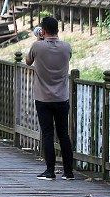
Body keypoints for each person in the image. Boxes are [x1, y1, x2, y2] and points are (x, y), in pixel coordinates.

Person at [25, 15, 75, 180]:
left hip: (43, 98)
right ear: (58, 30)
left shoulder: (37, 47)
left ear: (43, 31)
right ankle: (68, 172)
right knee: (63, 135)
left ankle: (50, 171)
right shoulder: (66, 47)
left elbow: (28, 61)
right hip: (62, 97)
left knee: (47, 134)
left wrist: (39, 39)